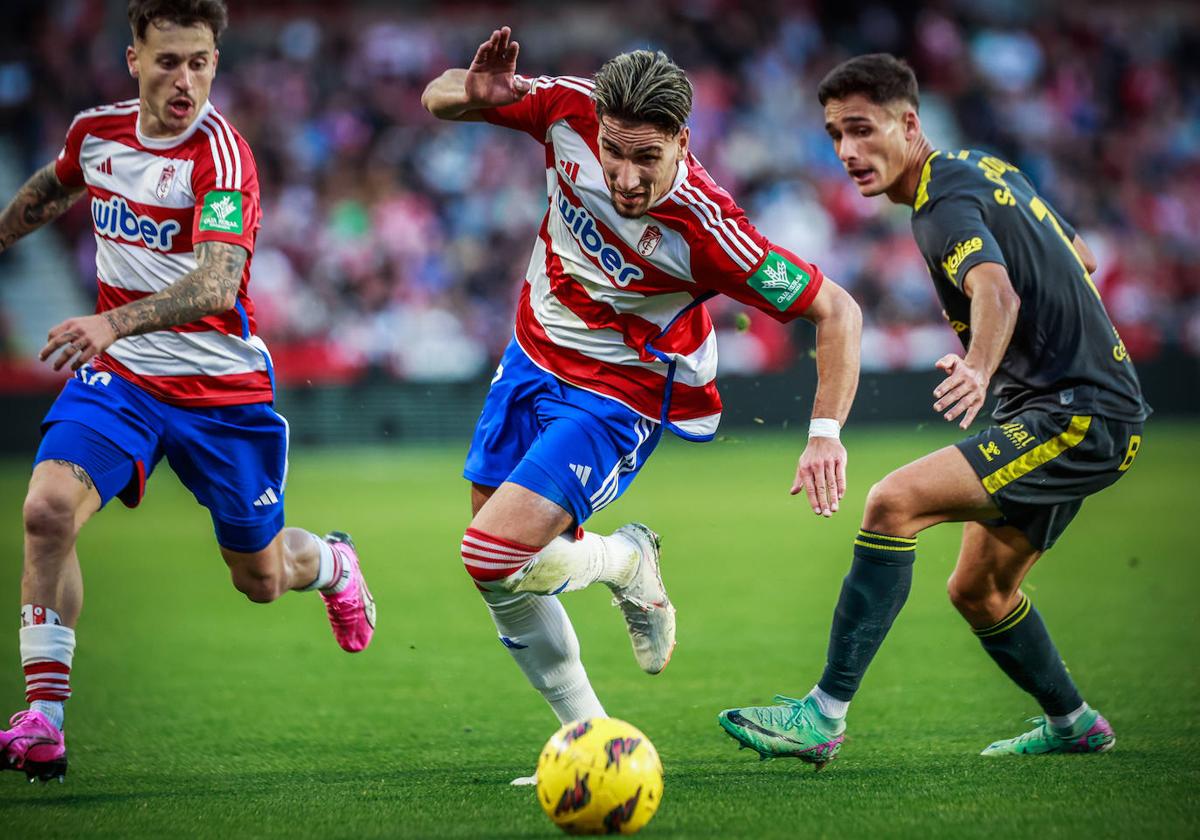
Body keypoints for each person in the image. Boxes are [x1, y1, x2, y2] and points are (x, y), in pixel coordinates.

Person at [421, 26, 861, 766]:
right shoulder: (567, 110)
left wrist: (825, 432)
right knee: (503, 574)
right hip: (530, 355)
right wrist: (473, 95)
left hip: (619, 391)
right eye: (614, 152)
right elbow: (435, 96)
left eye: (646, 158)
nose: (625, 176)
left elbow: (837, 311)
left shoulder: (713, 230)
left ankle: (626, 563)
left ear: (683, 143)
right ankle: (593, 740)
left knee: (489, 550)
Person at [719, 54, 1151, 767]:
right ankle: (1075, 723)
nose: (847, 152)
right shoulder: (980, 169)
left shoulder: (939, 204)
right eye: (834, 135)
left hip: (1076, 412)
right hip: (1081, 404)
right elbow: (1079, 254)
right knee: (979, 590)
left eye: (862, 129)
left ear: (909, 123)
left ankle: (822, 717)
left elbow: (999, 294)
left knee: (892, 502)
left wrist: (982, 367)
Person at [0, 0, 375, 783]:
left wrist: (112, 323)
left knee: (262, 580)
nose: (186, 79)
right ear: (133, 56)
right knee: (45, 511)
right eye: (168, 60)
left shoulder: (223, 159)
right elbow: (56, 183)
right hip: (125, 383)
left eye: (200, 61)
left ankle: (333, 563)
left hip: (219, 393)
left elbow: (217, 282)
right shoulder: (95, 132)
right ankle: (43, 717)